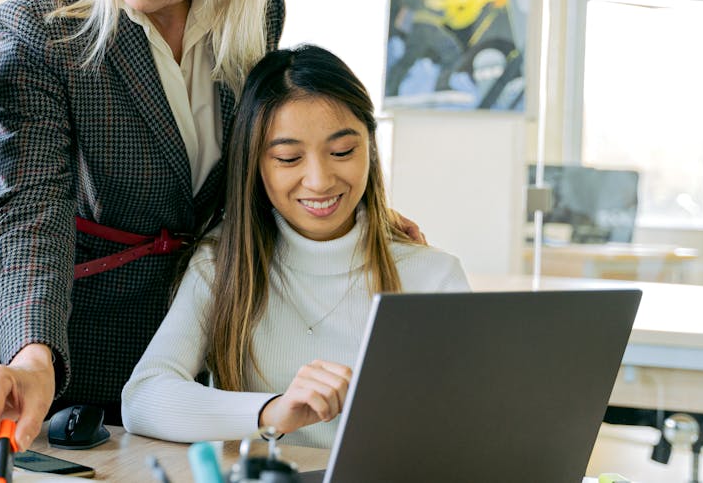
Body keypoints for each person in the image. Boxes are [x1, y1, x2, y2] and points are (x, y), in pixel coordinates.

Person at [0, 0, 286, 457]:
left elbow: (266, 153)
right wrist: (34, 357)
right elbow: (34, 207)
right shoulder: (44, 27)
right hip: (89, 354)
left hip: (220, 355)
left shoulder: (254, 8)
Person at [120, 45, 469, 449]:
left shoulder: (433, 276)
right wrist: (271, 411)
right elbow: (143, 398)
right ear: (255, 164)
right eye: (288, 158)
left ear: (370, 148)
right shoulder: (222, 264)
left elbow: (476, 427)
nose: (319, 180)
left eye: (342, 152)